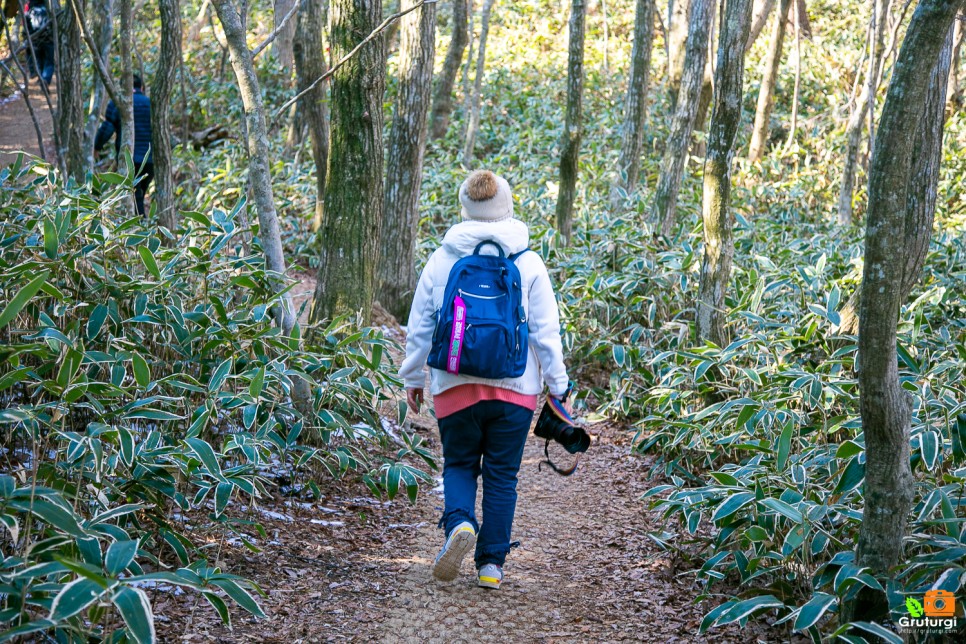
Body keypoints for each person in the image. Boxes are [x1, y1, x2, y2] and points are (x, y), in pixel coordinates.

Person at [399, 170, 572, 590]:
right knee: (501, 476)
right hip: (516, 392)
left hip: (453, 384)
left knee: (458, 463)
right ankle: (491, 566)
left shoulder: (443, 259)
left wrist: (412, 375)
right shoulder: (528, 262)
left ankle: (459, 523)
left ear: (466, 208)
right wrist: (558, 384)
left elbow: (422, 324)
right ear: (508, 206)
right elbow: (545, 332)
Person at [94, 74, 154, 216]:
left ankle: (141, 228)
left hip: (130, 159)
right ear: (142, 87)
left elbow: (107, 128)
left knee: (135, 196)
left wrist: (96, 146)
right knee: (139, 194)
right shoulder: (151, 103)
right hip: (150, 160)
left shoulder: (118, 102)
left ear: (122, 87)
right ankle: (142, 227)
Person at [22, 0, 54, 87]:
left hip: (35, 40)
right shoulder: (49, 10)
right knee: (49, 62)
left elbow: (25, 26)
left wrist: (27, 38)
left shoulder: (30, 10)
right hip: (49, 39)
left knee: (39, 59)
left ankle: (40, 77)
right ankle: (45, 79)